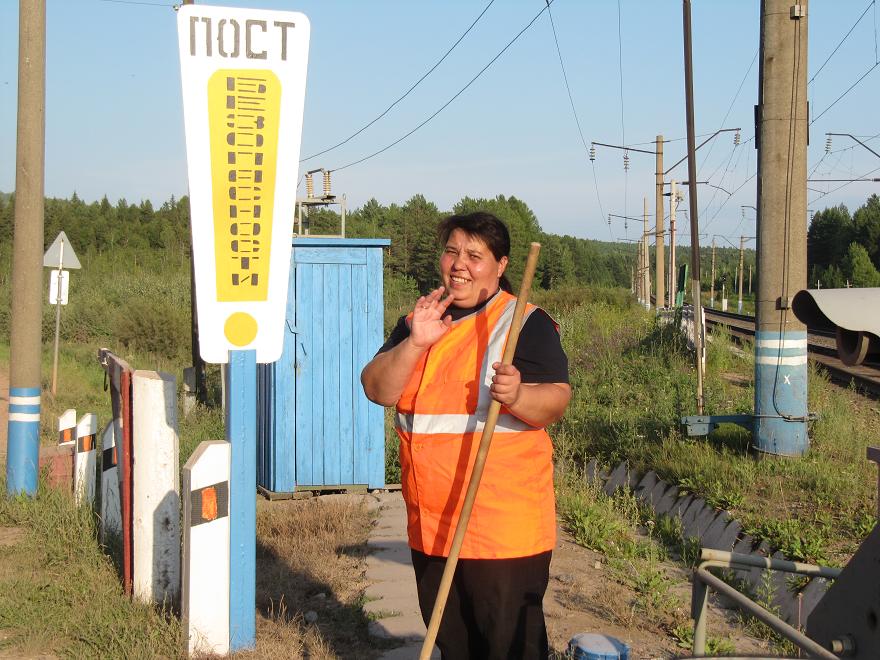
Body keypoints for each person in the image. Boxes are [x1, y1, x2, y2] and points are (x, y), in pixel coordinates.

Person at [361, 211, 571, 660]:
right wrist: (416, 342)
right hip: (432, 527)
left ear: (501, 265)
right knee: (455, 646)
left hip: (503, 532)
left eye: (475, 255)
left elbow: (555, 400)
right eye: (453, 251)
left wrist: (517, 395)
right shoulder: (418, 321)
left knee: (508, 650)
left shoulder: (522, 323)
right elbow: (377, 388)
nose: (459, 263)